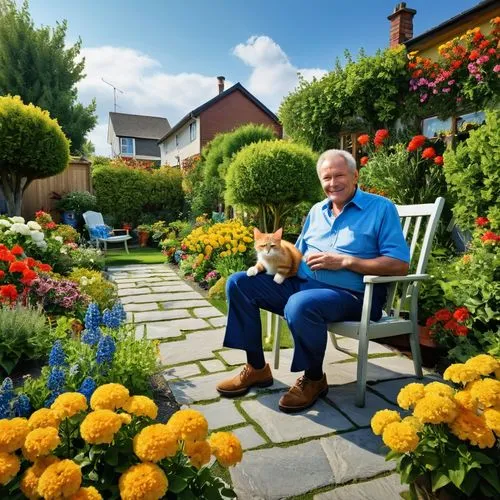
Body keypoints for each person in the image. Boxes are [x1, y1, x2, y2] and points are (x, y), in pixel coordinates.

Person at [216, 149, 410, 413]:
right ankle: (257, 368)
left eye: (339, 175)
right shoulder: (317, 211)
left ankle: (314, 378)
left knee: (300, 303)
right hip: (304, 284)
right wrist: (270, 264)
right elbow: (296, 254)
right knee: (239, 283)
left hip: (353, 295)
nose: (333, 183)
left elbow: (399, 264)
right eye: (326, 177)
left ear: (355, 176)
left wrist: (345, 261)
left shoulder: (380, 209)